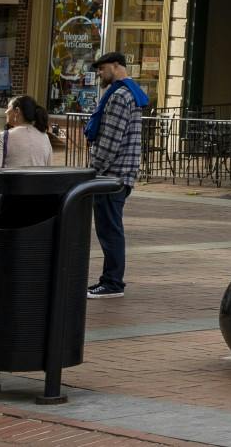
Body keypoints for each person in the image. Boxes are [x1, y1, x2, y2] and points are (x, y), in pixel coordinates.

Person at [85, 52, 148, 299]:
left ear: (115, 66)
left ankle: (112, 282)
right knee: (110, 229)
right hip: (121, 173)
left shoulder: (120, 96)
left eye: (102, 69)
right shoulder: (130, 92)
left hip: (112, 175)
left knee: (109, 230)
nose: (99, 73)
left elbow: (111, 141)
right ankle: (111, 280)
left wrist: (94, 169)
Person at [0, 95, 56, 170]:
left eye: (8, 108)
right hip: (39, 181)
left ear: (17, 111)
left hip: (12, 181)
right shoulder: (44, 137)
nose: (6, 112)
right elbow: (49, 168)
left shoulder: (4, 136)